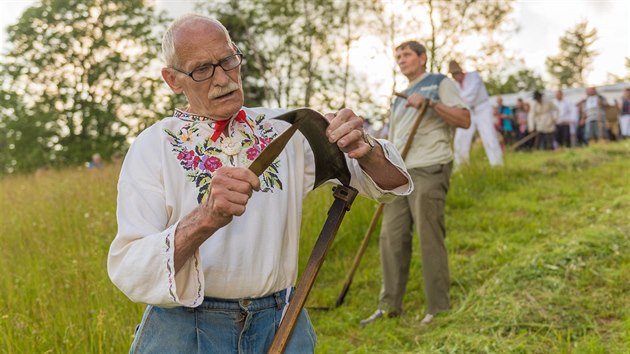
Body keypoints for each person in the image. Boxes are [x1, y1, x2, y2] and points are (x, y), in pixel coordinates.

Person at [107, 14, 412, 353]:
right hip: (185, 329)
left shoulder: (287, 129)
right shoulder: (154, 145)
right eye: (202, 70)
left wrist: (365, 148)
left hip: (281, 321)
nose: (223, 78)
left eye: (227, 60)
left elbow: (391, 185)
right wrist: (204, 219)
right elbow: (130, 266)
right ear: (173, 80)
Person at [360, 41, 470, 326]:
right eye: (398, 56)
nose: (401, 60)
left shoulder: (438, 83)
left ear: (422, 58)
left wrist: (431, 103)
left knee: (429, 234)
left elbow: (464, 119)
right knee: (391, 237)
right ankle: (389, 306)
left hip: (430, 167)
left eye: (407, 54)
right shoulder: (400, 97)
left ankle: (438, 307)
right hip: (400, 172)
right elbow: (393, 136)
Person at [448, 60, 503, 167]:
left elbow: (471, 94)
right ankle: (461, 166)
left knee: (489, 136)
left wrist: (458, 100)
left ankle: (497, 165)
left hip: (482, 108)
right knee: (460, 138)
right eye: (453, 75)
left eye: (456, 74)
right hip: (468, 112)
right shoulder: (454, 84)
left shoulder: (474, 77)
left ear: (461, 71)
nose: (455, 77)